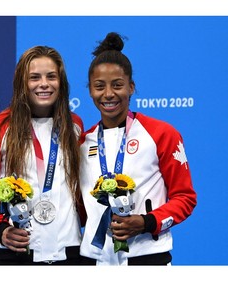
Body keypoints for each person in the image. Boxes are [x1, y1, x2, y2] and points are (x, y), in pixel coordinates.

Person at [79, 32, 197, 265]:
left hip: (148, 257)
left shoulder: (161, 134)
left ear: (131, 87)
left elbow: (185, 198)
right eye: (99, 86)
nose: (109, 94)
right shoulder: (82, 143)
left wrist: (147, 223)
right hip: (94, 260)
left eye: (118, 85)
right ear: (90, 90)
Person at [0, 45, 92, 265]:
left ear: (61, 82)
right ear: (21, 84)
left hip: (69, 251)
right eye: (34, 77)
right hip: (13, 252)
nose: (44, 84)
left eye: (51, 76)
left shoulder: (75, 125)